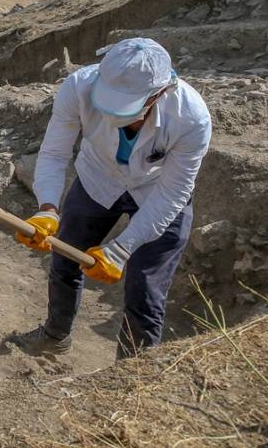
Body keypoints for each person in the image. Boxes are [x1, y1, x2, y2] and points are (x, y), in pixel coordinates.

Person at [13, 38, 211, 359]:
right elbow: (53, 152)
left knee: (146, 292)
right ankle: (55, 335)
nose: (115, 116)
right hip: (98, 178)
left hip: (157, 193)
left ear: (159, 94)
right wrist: (47, 208)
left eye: (127, 108)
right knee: (65, 257)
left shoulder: (191, 118)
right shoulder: (78, 87)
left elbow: (174, 192)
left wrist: (121, 249)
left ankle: (131, 377)